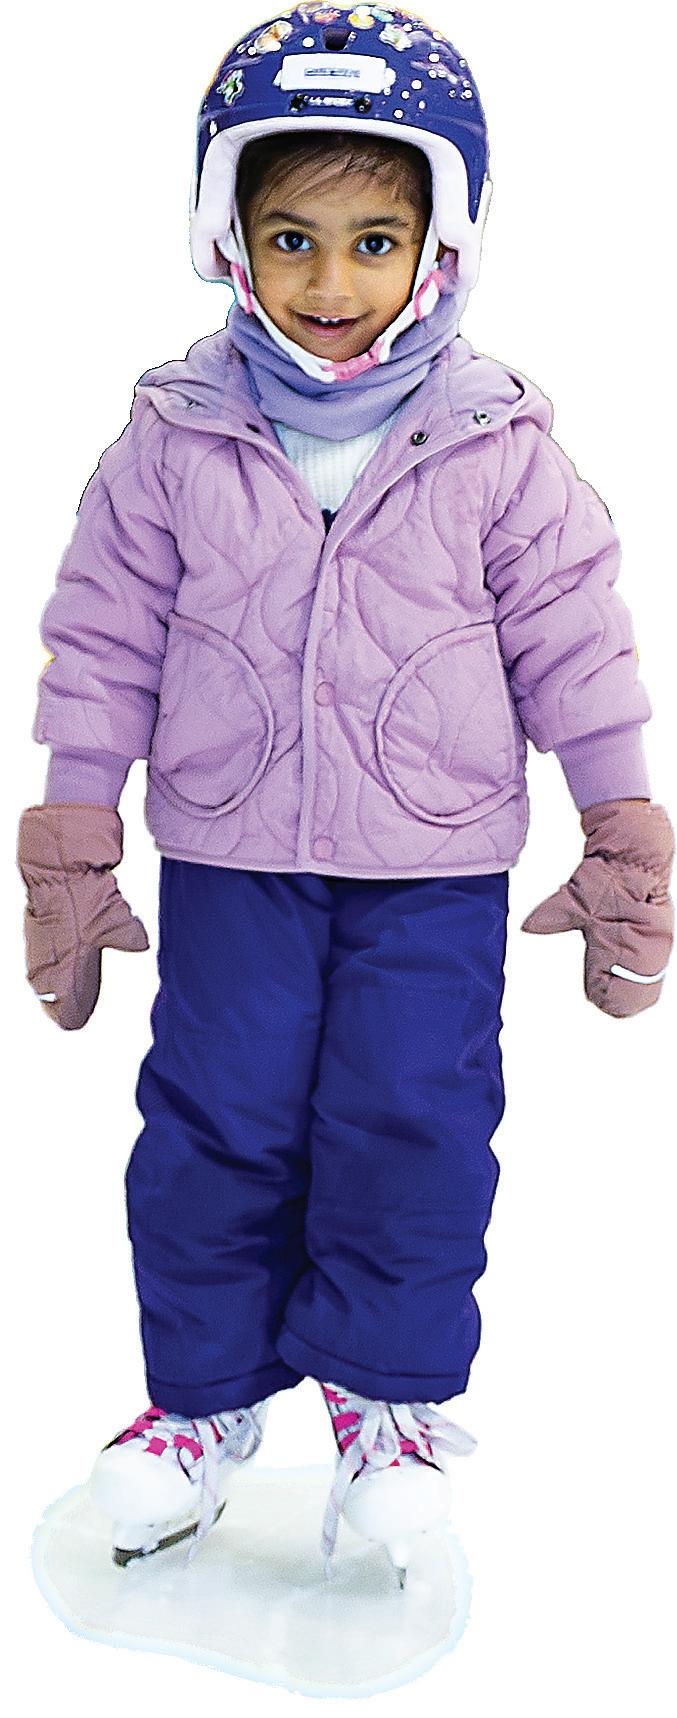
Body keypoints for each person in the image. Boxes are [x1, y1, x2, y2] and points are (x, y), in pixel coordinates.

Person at [16, 5, 674, 1588]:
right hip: (232, 856)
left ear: (440, 244)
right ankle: (200, 1403)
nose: (329, 281)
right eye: (291, 238)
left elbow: (574, 638)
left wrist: (619, 823)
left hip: (430, 869)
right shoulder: (175, 435)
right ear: (226, 239)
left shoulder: (494, 441)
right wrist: (72, 831)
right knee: (212, 1124)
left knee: (410, 1121)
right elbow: (101, 635)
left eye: (373, 239)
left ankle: (384, 1404)